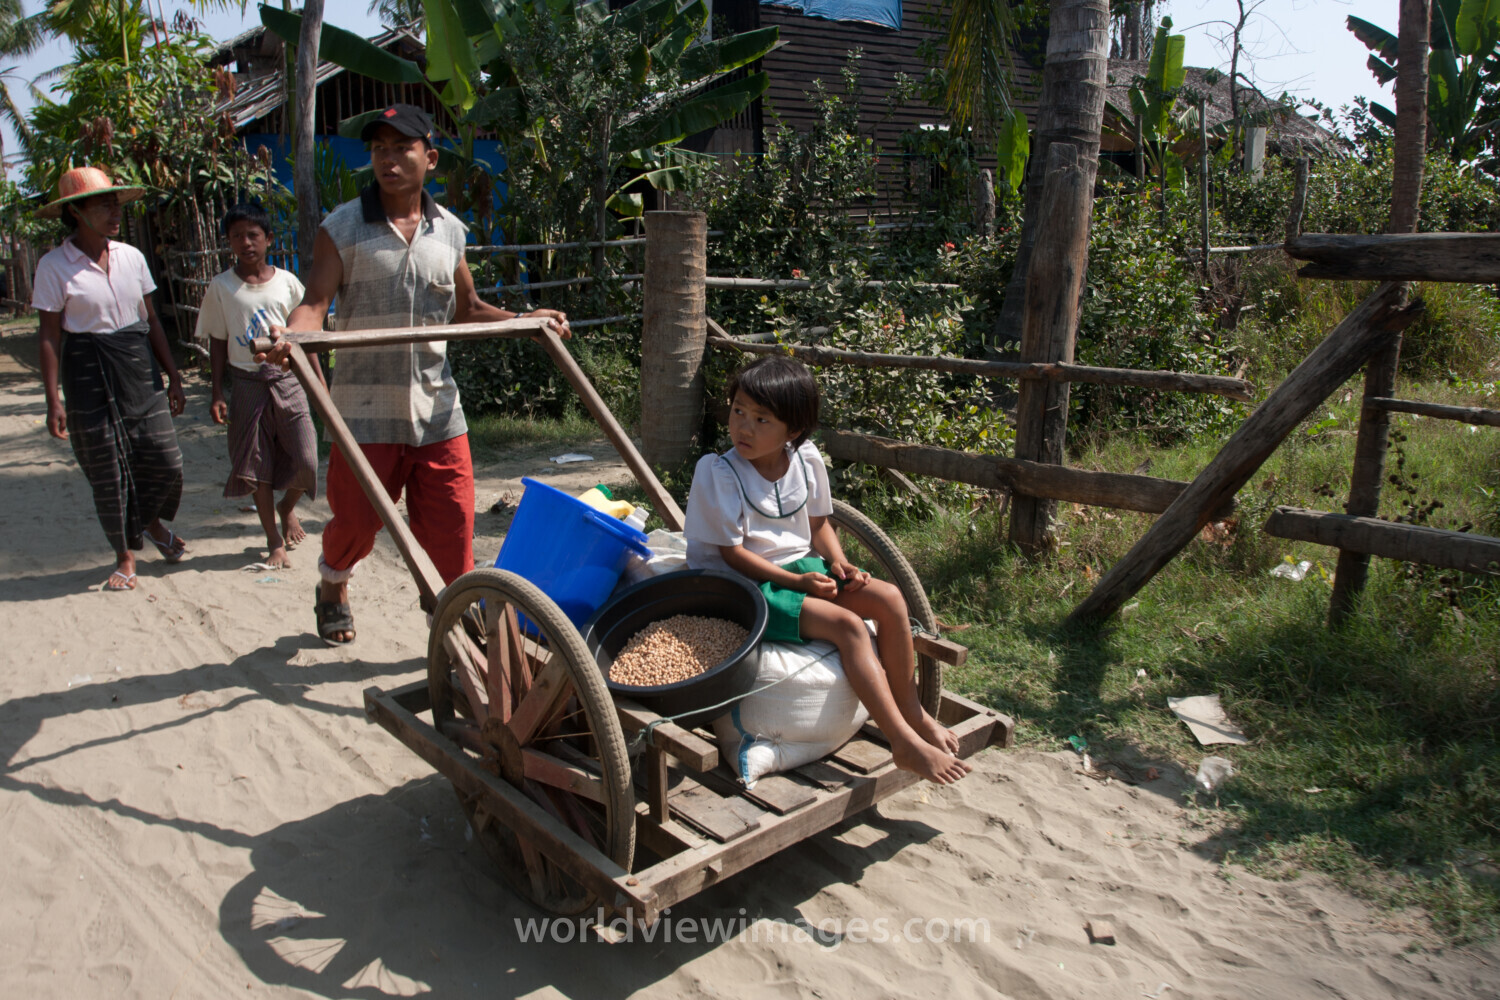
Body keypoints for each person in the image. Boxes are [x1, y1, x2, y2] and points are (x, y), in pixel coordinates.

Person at [259, 103, 570, 645]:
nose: (389, 159)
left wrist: (526, 319)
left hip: (438, 409)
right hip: (363, 413)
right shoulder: (342, 228)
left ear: (430, 157)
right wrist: (291, 335)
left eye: (402, 148)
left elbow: (467, 309)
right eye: (379, 149)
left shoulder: (449, 231)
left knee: (454, 526)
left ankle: (449, 623)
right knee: (355, 523)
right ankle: (333, 584)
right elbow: (315, 305)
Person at [684, 357, 971, 785]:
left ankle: (915, 715)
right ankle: (902, 743)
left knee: (890, 598)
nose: (743, 427)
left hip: (799, 568)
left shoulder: (805, 460)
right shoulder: (718, 472)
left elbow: (818, 525)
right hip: (742, 586)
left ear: (793, 431)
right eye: (738, 410)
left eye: (761, 419)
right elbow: (732, 554)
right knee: (849, 627)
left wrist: (838, 561)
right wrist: (796, 582)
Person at [35, 165, 189, 591]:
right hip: (87, 373)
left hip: (139, 367)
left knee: (166, 459)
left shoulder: (131, 257)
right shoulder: (53, 266)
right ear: (76, 212)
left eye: (115, 204)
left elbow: (151, 319)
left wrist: (173, 376)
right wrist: (53, 400)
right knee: (108, 468)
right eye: (103, 205)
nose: (115, 212)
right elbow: (49, 335)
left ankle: (152, 523)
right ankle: (125, 554)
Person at [197, 204, 319, 570]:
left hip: (288, 378)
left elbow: (307, 337)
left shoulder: (288, 283)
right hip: (247, 382)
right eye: (237, 236)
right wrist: (217, 392)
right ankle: (274, 541)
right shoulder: (222, 287)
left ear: (268, 239)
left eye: (253, 235)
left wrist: (319, 383)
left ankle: (287, 506)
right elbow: (218, 340)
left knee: (308, 460)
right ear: (229, 242)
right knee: (255, 465)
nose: (246, 243)